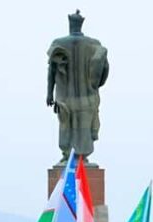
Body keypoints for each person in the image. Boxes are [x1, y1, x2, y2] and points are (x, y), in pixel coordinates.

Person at [46, 10, 110, 162]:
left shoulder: (58, 44)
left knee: (66, 125)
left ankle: (68, 156)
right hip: (87, 97)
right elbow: (104, 69)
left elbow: (52, 71)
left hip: (65, 98)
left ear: (70, 25)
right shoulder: (94, 44)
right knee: (84, 127)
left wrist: (49, 93)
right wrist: (95, 84)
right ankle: (81, 157)